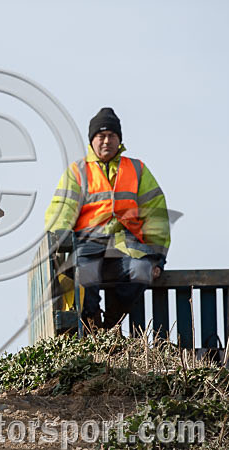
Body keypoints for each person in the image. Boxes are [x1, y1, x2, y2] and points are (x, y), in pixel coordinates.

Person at [45, 107, 170, 328]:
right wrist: (58, 242)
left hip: (127, 244)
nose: (106, 141)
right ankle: (93, 323)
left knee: (142, 270)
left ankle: (111, 324)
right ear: (92, 140)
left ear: (119, 139)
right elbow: (61, 210)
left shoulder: (137, 169)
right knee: (84, 274)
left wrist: (158, 257)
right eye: (101, 136)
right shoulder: (78, 171)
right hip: (87, 243)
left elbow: (156, 215)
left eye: (112, 136)